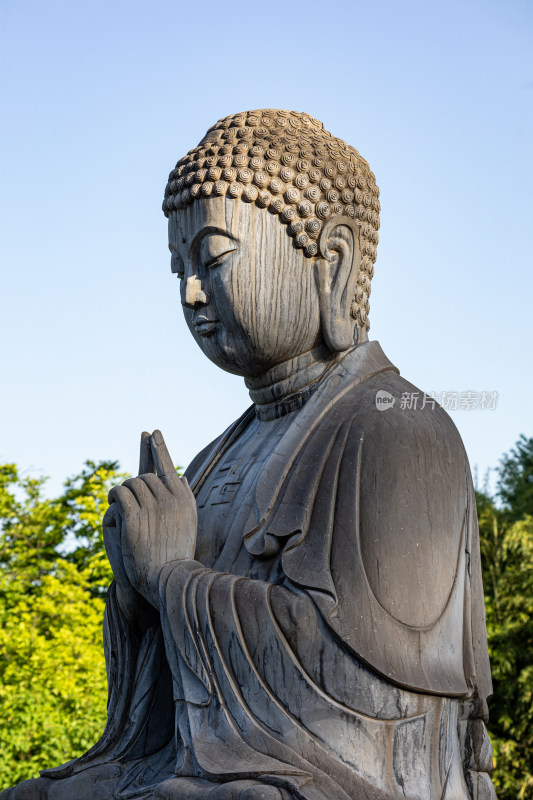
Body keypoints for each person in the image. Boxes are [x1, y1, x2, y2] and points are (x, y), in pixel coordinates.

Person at [2, 110, 496, 800]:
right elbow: (161, 706)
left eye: (214, 257)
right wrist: (136, 593)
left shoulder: (401, 429)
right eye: (178, 269)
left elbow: (364, 688)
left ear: (334, 258)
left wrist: (170, 575)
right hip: (214, 765)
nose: (190, 293)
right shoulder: (212, 457)